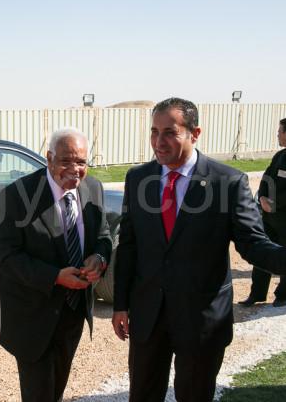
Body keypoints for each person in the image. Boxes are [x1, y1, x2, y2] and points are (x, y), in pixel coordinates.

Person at [112, 97, 286, 402]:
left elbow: (253, 243)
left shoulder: (228, 182)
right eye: (154, 131)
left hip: (202, 322)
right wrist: (120, 305)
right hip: (149, 317)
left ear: (195, 133)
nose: (159, 141)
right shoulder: (138, 178)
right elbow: (128, 246)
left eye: (170, 132)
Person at [0, 128, 112, 402]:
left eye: (81, 162)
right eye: (66, 161)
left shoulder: (93, 188)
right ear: (49, 158)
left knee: (56, 389)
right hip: (34, 317)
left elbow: (104, 235)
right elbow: (6, 257)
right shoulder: (17, 196)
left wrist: (100, 258)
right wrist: (55, 276)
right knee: (38, 394)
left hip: (73, 313)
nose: (74, 169)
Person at [239, 117, 286, 307]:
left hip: (283, 217)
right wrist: (262, 198)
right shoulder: (280, 156)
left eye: (280, 131)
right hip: (269, 217)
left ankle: (283, 295)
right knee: (263, 253)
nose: (277, 135)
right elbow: (266, 178)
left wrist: (274, 204)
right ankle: (257, 293)